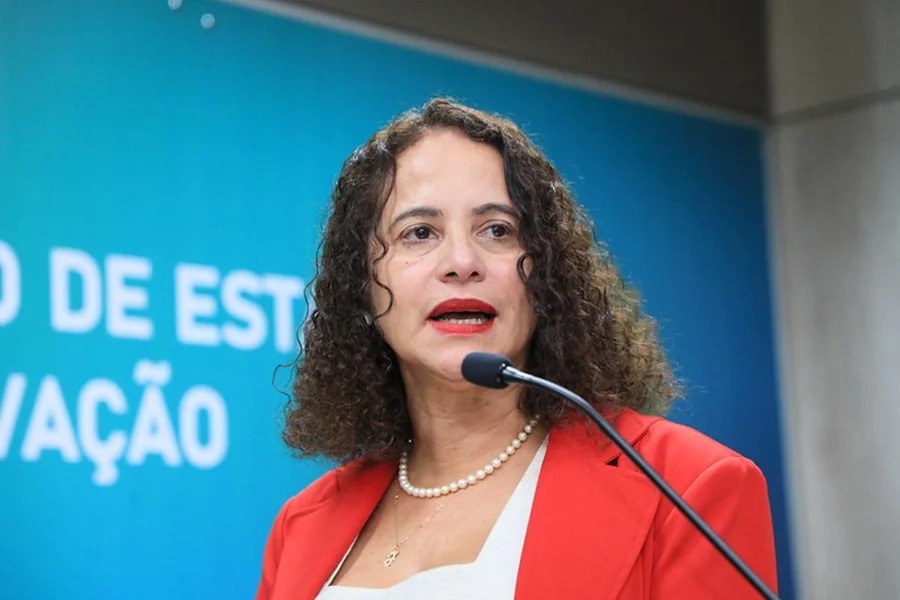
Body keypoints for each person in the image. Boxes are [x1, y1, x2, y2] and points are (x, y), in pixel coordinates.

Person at [255, 98, 778, 599]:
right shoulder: (302, 526)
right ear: (362, 287)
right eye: (419, 233)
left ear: (544, 276)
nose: (462, 262)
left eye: (497, 230)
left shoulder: (686, 487)